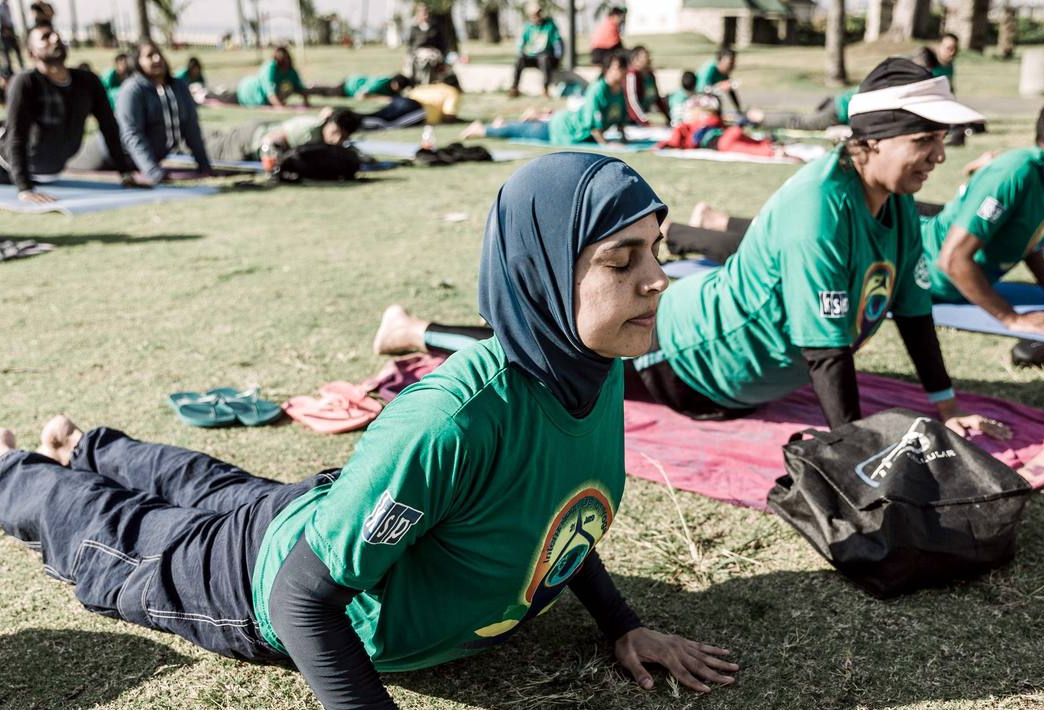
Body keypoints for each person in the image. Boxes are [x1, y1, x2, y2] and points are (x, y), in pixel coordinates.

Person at [0, 151, 737, 710]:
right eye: (620, 258)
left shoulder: (592, 367)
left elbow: (553, 512)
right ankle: (8, 468)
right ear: (539, 273)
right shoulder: (455, 418)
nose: (657, 278)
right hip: (252, 582)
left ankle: (86, 442)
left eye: (657, 248)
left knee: (220, 486)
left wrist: (622, 622)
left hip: (329, 513)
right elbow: (301, 601)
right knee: (120, 541)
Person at [386, 59, 1010, 438]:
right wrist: (855, 456)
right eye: (925, 139)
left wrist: (944, 406)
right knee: (539, 356)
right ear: (874, 139)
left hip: (724, 350)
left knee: (553, 352)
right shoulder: (821, 207)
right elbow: (826, 353)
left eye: (943, 141)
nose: (939, 155)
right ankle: (414, 329)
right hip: (684, 358)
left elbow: (914, 309)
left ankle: (418, 328)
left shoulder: (894, 203)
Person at [920, 90, 1044, 337]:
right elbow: (952, 259)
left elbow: (1031, 240)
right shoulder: (1015, 172)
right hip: (913, 271)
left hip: (952, 288)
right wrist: (1010, 318)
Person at [0, 25, 136, 205]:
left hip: (42, 171)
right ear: (31, 53)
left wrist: (125, 174)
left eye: (55, 34)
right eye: (46, 37)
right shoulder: (26, 82)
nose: (55, 39)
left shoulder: (88, 82)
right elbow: (16, 135)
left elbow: (109, 127)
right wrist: (25, 189)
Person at [69, 41, 212, 184]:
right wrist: (152, 171)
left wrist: (204, 165)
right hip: (105, 155)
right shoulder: (132, 90)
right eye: (150, 56)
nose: (157, 59)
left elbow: (191, 127)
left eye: (159, 54)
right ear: (137, 62)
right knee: (66, 164)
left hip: (140, 161)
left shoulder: (179, 87)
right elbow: (131, 134)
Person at [463, 52, 628, 146]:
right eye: (617, 68)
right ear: (607, 70)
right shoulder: (597, 90)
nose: (621, 72)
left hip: (571, 126)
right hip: (563, 129)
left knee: (525, 128)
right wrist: (606, 145)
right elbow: (594, 127)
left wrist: (623, 138)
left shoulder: (619, 91)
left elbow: (619, 119)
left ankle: (505, 123)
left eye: (623, 68)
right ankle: (483, 130)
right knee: (521, 132)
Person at [656, 93, 797, 159]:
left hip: (723, 141)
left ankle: (772, 148)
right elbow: (675, 139)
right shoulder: (693, 125)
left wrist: (664, 144)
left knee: (747, 144)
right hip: (724, 139)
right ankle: (771, 147)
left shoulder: (699, 124)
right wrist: (665, 144)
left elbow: (675, 139)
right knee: (747, 145)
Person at [201, 107, 361, 162]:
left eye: (343, 137)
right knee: (207, 151)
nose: (336, 140)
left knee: (216, 138)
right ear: (327, 123)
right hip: (249, 141)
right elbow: (271, 141)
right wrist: (273, 164)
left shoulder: (325, 128)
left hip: (257, 129)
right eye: (334, 133)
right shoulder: (307, 132)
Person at [510, 3, 563, 98]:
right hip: (533, 56)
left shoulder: (549, 25)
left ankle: (545, 89)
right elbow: (521, 42)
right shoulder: (528, 27)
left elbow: (557, 41)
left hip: (547, 57)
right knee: (520, 60)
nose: (536, 17)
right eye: (533, 15)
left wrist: (558, 56)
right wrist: (520, 51)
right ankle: (514, 88)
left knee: (544, 58)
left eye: (538, 14)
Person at [360, 82, 461, 131]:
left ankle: (351, 119)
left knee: (375, 116)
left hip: (403, 100)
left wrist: (373, 97)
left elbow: (394, 99)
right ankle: (355, 123)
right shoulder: (452, 91)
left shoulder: (432, 85)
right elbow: (449, 116)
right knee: (387, 124)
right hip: (418, 109)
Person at [236, 45, 311, 108]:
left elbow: (300, 87)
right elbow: (270, 92)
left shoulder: (290, 70)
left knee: (287, 88)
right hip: (247, 93)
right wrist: (280, 107)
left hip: (265, 97)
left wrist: (306, 102)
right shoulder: (270, 67)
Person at [625, 45, 669, 126]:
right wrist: (644, 121)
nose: (649, 59)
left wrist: (668, 117)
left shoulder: (650, 75)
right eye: (645, 56)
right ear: (635, 60)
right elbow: (632, 101)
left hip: (644, 117)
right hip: (631, 121)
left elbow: (657, 98)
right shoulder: (632, 75)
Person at [696, 47, 741, 116]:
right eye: (730, 63)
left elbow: (730, 91)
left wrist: (739, 110)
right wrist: (720, 86)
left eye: (733, 63)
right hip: (695, 100)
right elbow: (701, 90)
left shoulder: (723, 72)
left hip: (708, 98)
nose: (732, 66)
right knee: (715, 101)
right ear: (721, 61)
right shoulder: (709, 69)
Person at [0, 0, 23, 71]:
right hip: (4, 28)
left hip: (11, 28)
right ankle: (9, 69)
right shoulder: (0, 7)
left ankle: (21, 66)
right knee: (6, 51)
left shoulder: (9, 6)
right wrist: (5, 30)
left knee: (16, 49)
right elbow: (0, 19)